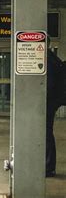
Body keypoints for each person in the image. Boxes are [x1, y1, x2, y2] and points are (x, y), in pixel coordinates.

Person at [46, 49, 62, 177]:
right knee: (46, 132)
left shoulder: (48, 60)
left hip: (48, 102)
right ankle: (48, 164)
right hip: (52, 102)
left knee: (46, 133)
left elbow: (49, 84)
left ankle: (48, 165)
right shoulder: (53, 58)